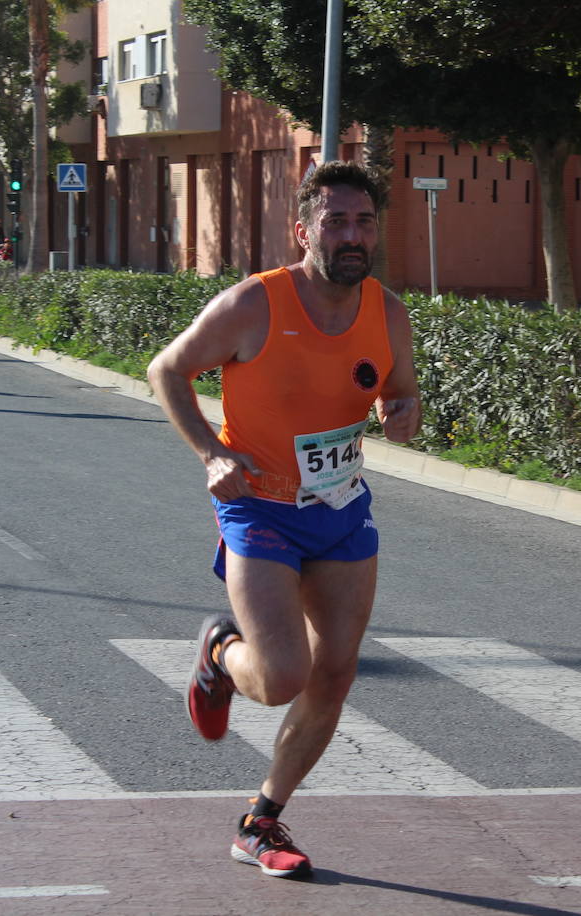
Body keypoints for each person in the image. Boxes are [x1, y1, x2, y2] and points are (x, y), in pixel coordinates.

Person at [147, 161, 421, 880]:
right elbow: (167, 371)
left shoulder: (387, 311)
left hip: (340, 509)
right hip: (259, 509)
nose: (351, 235)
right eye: (335, 222)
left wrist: (403, 414)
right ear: (303, 231)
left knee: (335, 674)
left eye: (363, 222)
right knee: (278, 679)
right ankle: (219, 656)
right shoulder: (253, 305)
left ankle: (260, 820)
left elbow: (402, 395)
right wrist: (210, 454)